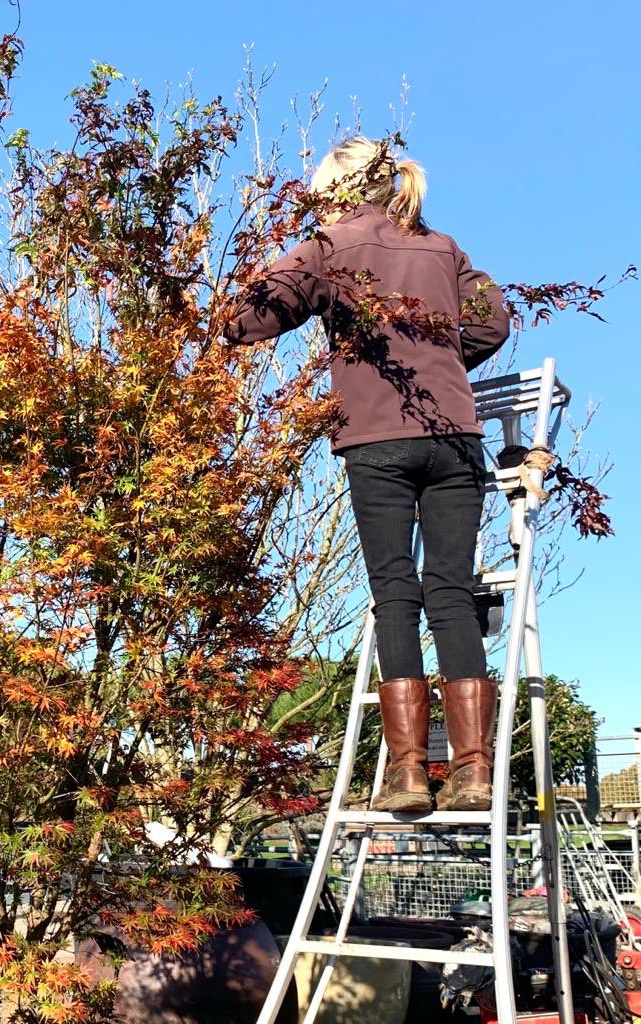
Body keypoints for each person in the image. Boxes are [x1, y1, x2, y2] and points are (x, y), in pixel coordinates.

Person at [223, 136, 510, 812]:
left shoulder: (331, 243)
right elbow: (493, 322)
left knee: (394, 592)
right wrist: (434, 356)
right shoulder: (442, 247)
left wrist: (223, 317)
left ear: (338, 189)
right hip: (455, 438)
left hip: (378, 438)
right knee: (451, 591)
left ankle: (408, 775)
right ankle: (473, 775)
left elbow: (252, 316)